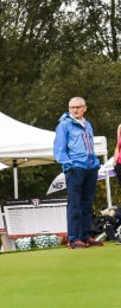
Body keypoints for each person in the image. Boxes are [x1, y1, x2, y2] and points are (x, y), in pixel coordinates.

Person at [53, 96, 103, 249]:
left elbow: (90, 146)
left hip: (90, 168)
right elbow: (59, 148)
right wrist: (68, 165)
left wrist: (95, 163)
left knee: (87, 204)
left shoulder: (88, 125)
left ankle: (86, 236)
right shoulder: (64, 125)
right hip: (75, 168)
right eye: (72, 107)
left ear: (84, 108)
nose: (75, 110)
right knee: (74, 204)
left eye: (78, 107)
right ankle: (73, 239)